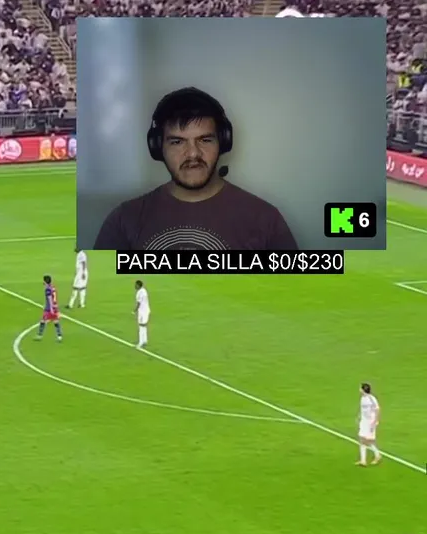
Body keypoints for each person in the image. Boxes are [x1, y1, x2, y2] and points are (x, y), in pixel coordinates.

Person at [92, 88, 298, 251]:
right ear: (157, 147)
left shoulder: (265, 220)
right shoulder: (123, 221)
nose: (193, 153)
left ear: (223, 142)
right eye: (177, 142)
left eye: (205, 140)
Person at [357, 382, 382, 466]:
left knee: (367, 440)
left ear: (363, 390)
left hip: (370, 422)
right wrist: (359, 416)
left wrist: (375, 421)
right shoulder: (362, 398)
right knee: (362, 440)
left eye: (360, 388)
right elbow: (363, 409)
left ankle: (376, 455)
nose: (359, 389)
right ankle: (363, 460)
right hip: (364, 421)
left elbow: (377, 409)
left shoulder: (372, 398)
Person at [37, 275, 62, 342]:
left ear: (45, 281)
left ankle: (39, 335)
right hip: (55, 306)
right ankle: (59, 336)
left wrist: (51, 308)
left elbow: (50, 298)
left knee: (43, 321)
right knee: (56, 321)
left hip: (49, 308)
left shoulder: (47, 289)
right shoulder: (53, 287)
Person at [134, 280, 150, 349]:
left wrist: (134, 310)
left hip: (143, 311)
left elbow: (139, 303)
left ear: (138, 285)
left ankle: (140, 343)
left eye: (136, 285)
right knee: (143, 326)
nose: (135, 286)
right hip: (145, 310)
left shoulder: (140, 293)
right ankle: (145, 340)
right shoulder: (144, 290)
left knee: (141, 326)